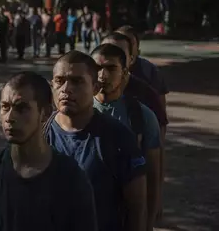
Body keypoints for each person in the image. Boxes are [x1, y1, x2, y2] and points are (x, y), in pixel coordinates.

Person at [0, 72, 98, 231]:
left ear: (45, 113)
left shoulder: (70, 178)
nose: (10, 117)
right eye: (5, 107)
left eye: (22, 108)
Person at [46, 51, 147, 231]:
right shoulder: (39, 134)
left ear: (95, 87)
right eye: (59, 81)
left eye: (77, 81)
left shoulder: (117, 137)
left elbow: (137, 208)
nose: (66, 89)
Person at [90, 44, 162, 231]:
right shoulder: (76, 112)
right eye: (97, 68)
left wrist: (148, 223)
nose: (102, 75)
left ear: (124, 73)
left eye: (111, 68)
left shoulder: (142, 116)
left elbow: (153, 177)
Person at [115, 26, 168, 121]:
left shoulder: (151, 71)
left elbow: (161, 113)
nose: (125, 46)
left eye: (130, 43)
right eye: (120, 41)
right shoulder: (103, 71)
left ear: (138, 48)